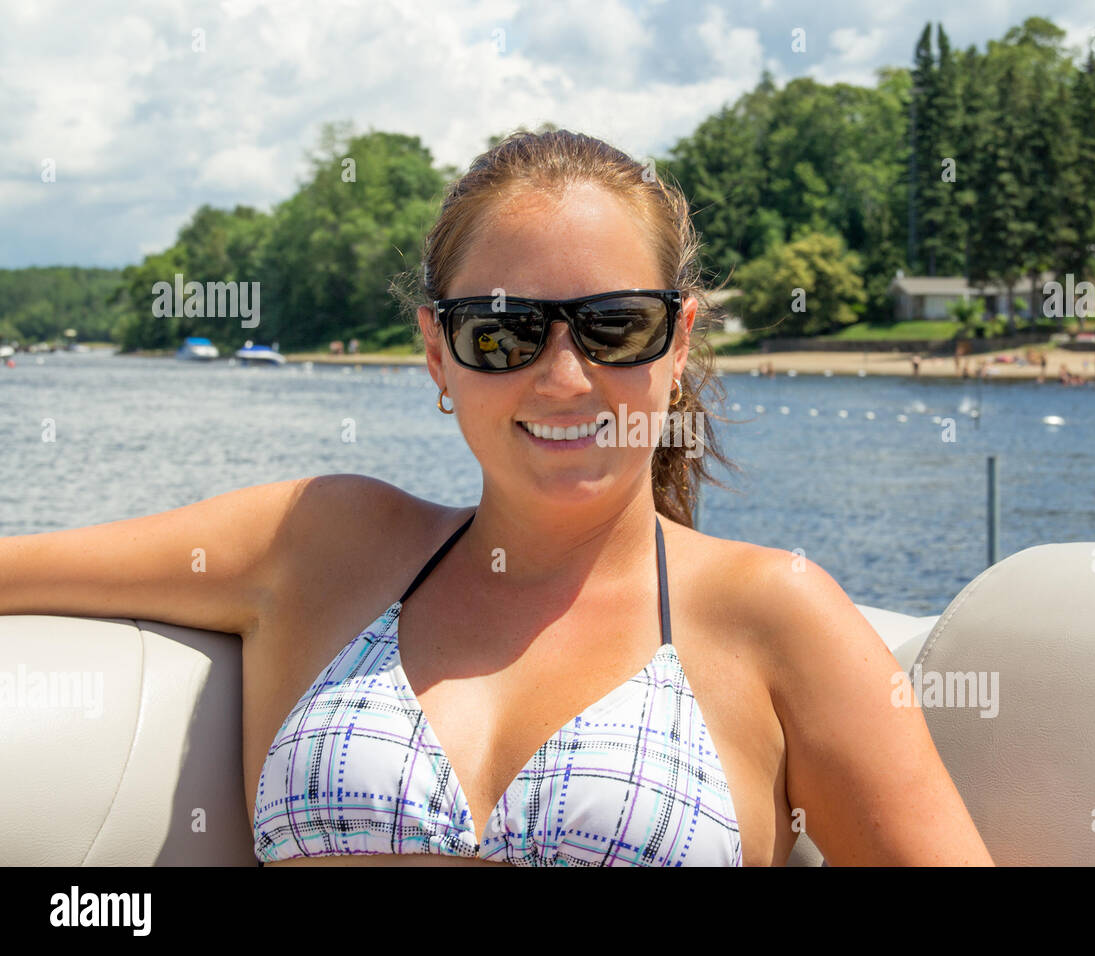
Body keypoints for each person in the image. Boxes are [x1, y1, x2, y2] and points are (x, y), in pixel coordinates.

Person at [0, 129, 992, 868]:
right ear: (438, 350)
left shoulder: (775, 616)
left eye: (615, 326)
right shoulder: (322, 546)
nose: (563, 377)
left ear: (680, 338)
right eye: (503, 333)